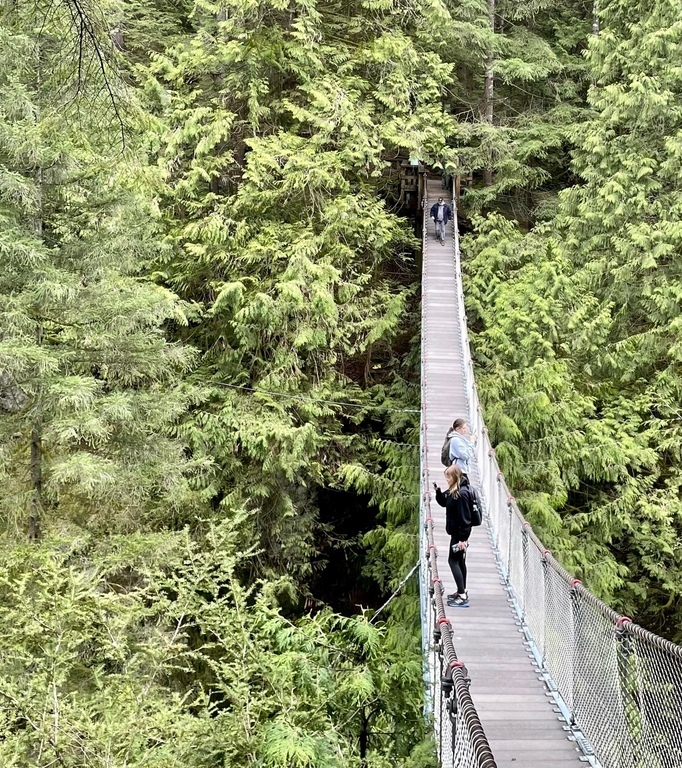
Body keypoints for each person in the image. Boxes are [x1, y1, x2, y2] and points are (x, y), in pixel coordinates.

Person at [433, 465, 475, 607]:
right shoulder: (454, 490)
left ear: (455, 477)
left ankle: (462, 597)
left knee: (453, 561)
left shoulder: (461, 494)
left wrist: (463, 539)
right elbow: (445, 502)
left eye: (448, 477)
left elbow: (465, 519)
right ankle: (462, 590)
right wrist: (438, 492)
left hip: (459, 535)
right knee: (460, 561)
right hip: (458, 534)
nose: (446, 480)